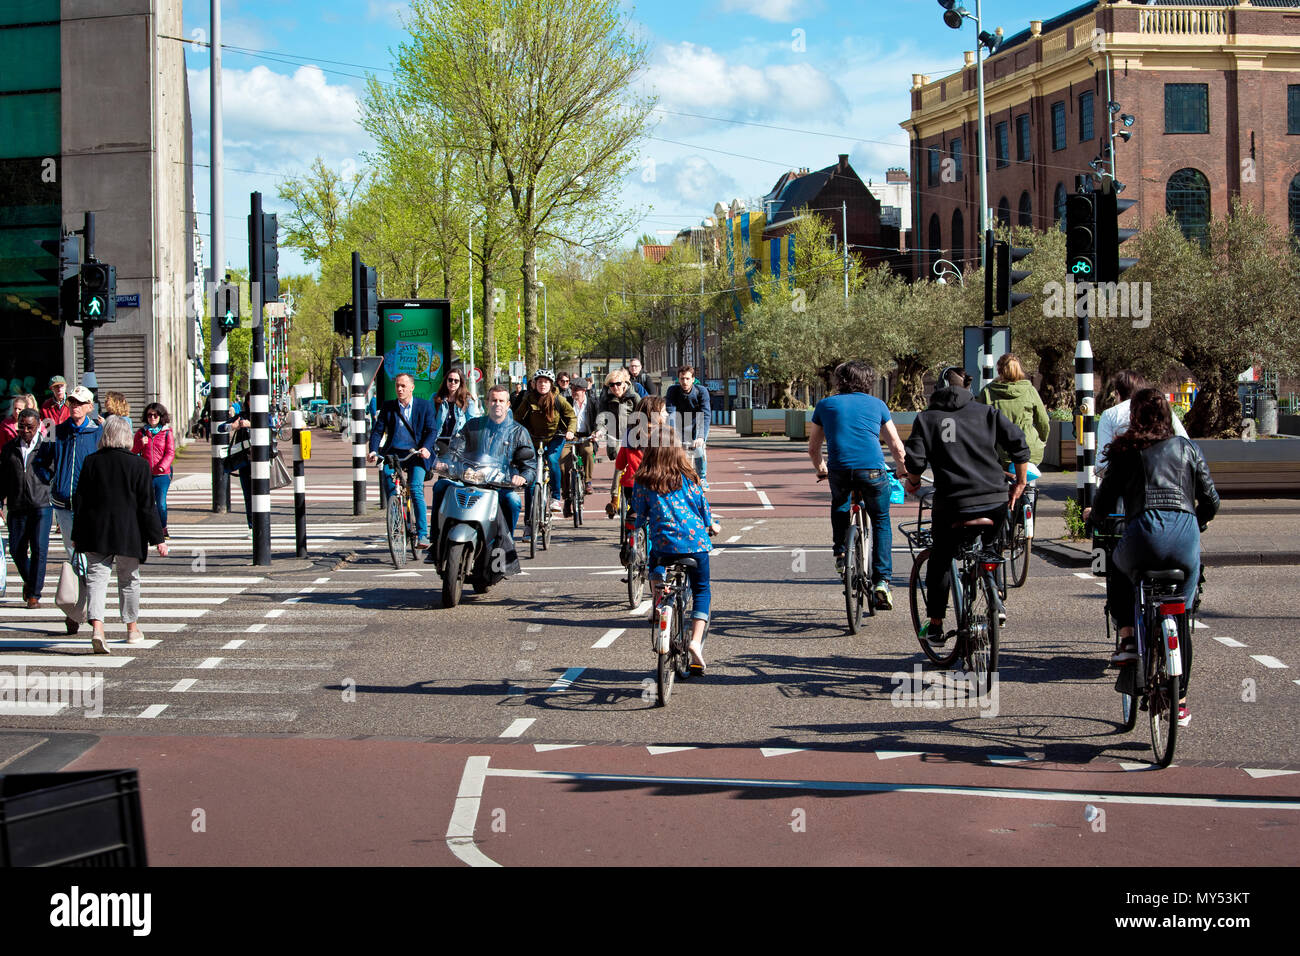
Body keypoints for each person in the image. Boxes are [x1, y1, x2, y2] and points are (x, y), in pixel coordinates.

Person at [1085, 389, 1218, 727]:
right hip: (1186, 537)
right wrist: (1196, 523)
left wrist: (1094, 517)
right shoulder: (1187, 447)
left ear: (1135, 417)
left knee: (1117, 565)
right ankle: (1181, 698)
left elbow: (1104, 504)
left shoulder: (1126, 451)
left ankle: (1128, 637)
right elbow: (1212, 499)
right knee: (1183, 613)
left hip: (1143, 532)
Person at [903, 365, 1030, 647]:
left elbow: (915, 462)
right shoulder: (987, 413)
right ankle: (995, 597)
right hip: (994, 499)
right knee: (991, 549)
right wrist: (1019, 482)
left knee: (940, 559)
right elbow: (1020, 445)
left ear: (936, 389)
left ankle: (935, 625)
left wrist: (912, 482)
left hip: (953, 503)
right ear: (968, 388)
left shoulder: (927, 418)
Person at [808, 360, 909, 610]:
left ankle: (841, 553)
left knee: (840, 503)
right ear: (868, 381)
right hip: (873, 471)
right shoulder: (878, 405)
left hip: (840, 470)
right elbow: (896, 446)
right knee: (881, 520)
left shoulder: (825, 405)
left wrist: (822, 469)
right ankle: (882, 582)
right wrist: (902, 469)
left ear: (839, 381)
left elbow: (813, 448)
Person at [72, 416, 169, 654]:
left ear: (104, 436)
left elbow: (80, 501)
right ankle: (132, 629)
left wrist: (77, 533)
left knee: (96, 580)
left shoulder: (91, 462)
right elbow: (147, 505)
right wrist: (158, 538)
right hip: (129, 532)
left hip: (96, 532)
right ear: (127, 437)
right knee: (128, 580)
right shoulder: (139, 465)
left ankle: (97, 629)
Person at [630, 425, 721, 671]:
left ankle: (660, 601)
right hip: (695, 544)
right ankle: (695, 642)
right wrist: (712, 525)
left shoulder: (643, 479)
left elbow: (639, 515)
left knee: (655, 564)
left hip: (663, 544)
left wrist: (642, 521)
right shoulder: (690, 476)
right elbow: (704, 510)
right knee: (702, 590)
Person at [430, 384, 536, 539]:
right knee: (441, 486)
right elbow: (455, 448)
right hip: (469, 482)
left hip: (500, 486)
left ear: (508, 404)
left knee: (513, 501)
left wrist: (523, 477)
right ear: (487, 403)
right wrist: (445, 462)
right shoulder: (473, 425)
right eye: (493, 400)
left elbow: (530, 464)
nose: (497, 404)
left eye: (501, 401)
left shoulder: (519, 432)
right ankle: (436, 539)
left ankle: (505, 544)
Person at [368, 372, 436, 548]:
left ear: (412, 387)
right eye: (397, 385)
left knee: (415, 489)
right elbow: (377, 431)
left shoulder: (424, 406)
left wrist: (426, 448)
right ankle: (398, 524)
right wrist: (374, 451)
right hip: (394, 453)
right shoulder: (388, 406)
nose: (399, 389)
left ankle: (422, 535)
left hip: (416, 453)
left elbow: (431, 430)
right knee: (391, 486)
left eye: (403, 386)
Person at [0, 408, 55, 608]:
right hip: (17, 505)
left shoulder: (47, 446)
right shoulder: (9, 448)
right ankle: (30, 581)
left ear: (38, 426)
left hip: (41, 504)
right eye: (21, 427)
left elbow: (54, 470)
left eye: (29, 427)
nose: (25, 431)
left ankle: (34, 594)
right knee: (16, 549)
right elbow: (3, 477)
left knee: (39, 549)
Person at [511, 369, 576, 535]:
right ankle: (528, 523)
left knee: (553, 460)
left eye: (546, 382)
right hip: (533, 438)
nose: (543, 385)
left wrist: (570, 431)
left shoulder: (558, 399)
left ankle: (555, 498)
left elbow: (571, 417)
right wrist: (515, 433)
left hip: (556, 436)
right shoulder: (528, 399)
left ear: (551, 384)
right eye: (540, 382)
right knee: (530, 479)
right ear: (534, 384)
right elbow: (517, 418)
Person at [1097, 370, 1188, 473]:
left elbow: (1102, 465)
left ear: (1117, 393)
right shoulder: (1162, 409)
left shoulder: (1110, 415)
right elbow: (1185, 444)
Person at [977, 353, 1050, 472]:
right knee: (1028, 479)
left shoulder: (988, 391)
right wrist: (1041, 441)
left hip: (1000, 450)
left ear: (999, 370)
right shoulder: (1030, 390)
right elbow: (1043, 421)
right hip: (1029, 448)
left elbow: (979, 422)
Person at [664, 366, 712, 490]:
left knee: (699, 450)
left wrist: (701, 437)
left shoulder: (701, 391)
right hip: (680, 423)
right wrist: (673, 435)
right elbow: (671, 412)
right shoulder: (672, 391)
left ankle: (702, 477)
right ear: (678, 379)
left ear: (693, 379)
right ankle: (674, 476)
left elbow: (705, 414)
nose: (684, 382)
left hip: (697, 424)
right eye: (682, 379)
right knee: (673, 449)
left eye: (687, 378)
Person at [133, 402, 176, 536]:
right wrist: (141, 443)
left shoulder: (166, 433)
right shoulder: (141, 433)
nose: (152, 417)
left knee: (161, 503)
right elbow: (132, 452)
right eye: (149, 415)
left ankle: (163, 528)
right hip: (145, 475)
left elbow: (170, 452)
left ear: (161, 416)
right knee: (146, 504)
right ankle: (148, 529)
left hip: (162, 475)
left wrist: (163, 466)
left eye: (155, 415)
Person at [560, 377, 598, 512]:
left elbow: (599, 419)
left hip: (586, 436)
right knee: (563, 464)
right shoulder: (567, 402)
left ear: (584, 390)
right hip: (569, 436)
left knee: (588, 452)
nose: (573, 392)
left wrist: (596, 432)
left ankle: (588, 482)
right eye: (572, 389)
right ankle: (566, 498)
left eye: (576, 389)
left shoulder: (593, 402)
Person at [432, 367, 480, 456]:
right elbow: (429, 419)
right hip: (438, 441)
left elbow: (472, 423)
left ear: (460, 383)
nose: (452, 383)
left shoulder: (467, 400)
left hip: (458, 443)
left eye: (456, 381)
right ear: (446, 381)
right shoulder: (436, 398)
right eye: (450, 380)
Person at [596, 370, 637, 462]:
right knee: (619, 467)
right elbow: (601, 417)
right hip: (614, 438)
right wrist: (599, 430)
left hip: (632, 438)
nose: (615, 387)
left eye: (618, 384)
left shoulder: (634, 397)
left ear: (624, 383)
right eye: (611, 385)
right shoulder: (606, 398)